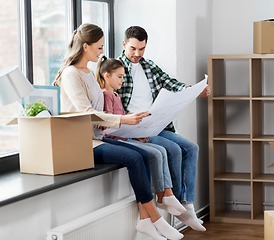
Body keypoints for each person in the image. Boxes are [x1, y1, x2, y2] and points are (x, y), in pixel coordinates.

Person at [53, 23, 183, 240]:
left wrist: (123, 126)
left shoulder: (87, 72)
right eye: (99, 47)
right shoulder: (71, 74)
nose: (102, 52)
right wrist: (122, 120)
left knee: (144, 153)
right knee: (133, 158)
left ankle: (144, 221)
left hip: (98, 137)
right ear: (85, 46)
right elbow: (86, 112)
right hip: (83, 144)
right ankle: (155, 219)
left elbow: (98, 112)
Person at [116, 26, 211, 232]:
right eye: (133, 49)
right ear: (124, 44)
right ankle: (174, 202)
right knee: (174, 150)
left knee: (192, 147)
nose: (137, 54)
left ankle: (188, 205)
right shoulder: (116, 68)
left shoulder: (149, 66)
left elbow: (171, 83)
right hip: (135, 131)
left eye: (142, 49)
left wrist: (193, 90)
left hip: (157, 125)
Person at [95, 55, 186, 216]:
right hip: (114, 141)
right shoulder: (105, 95)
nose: (123, 80)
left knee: (160, 151)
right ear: (106, 75)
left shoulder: (116, 96)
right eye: (120, 76)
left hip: (124, 137)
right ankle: (162, 195)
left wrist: (136, 134)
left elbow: (120, 122)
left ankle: (167, 194)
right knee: (156, 153)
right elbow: (106, 124)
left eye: (124, 76)